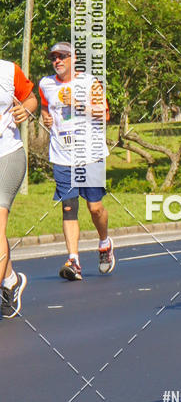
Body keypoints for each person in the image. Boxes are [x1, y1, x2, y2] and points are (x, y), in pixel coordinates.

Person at [39, 43, 115, 281]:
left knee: (95, 208)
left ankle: (104, 243)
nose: (57, 61)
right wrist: (46, 118)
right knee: (69, 207)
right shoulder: (45, 84)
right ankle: (74, 260)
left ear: (74, 59)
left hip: (89, 154)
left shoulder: (89, 82)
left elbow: (105, 114)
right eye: (53, 57)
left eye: (62, 56)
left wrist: (79, 105)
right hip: (61, 155)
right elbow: (44, 107)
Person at [0, 60, 37, 319]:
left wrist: (25, 109)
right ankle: (10, 279)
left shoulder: (7, 70)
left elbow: (30, 98)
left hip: (7, 155)